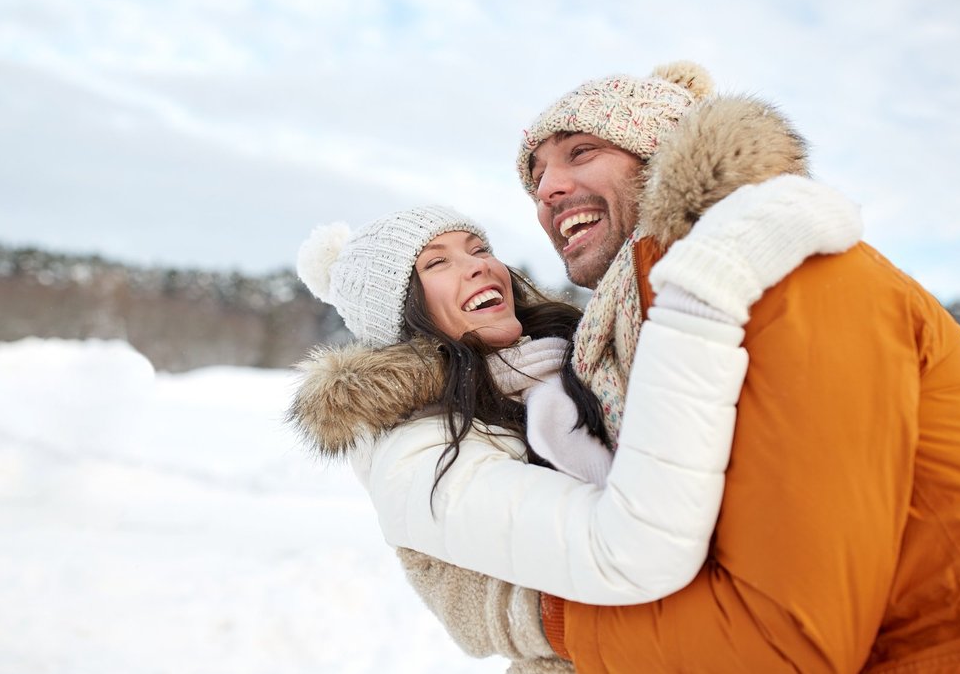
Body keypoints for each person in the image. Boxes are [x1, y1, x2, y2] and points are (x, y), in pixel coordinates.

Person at [498, 61, 960, 672]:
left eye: (580, 152)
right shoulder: (644, 332)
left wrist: (550, 622)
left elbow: (785, 641)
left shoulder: (787, 273)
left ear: (659, 155)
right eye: (536, 175)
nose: (547, 189)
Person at [289, 190, 860, 670]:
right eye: (437, 263)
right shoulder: (416, 451)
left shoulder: (576, 360)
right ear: (402, 314)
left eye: (479, 248)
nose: (480, 266)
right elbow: (620, 547)